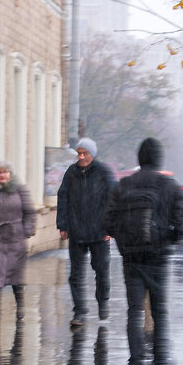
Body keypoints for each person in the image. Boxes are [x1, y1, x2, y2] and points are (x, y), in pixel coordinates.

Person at [104, 137, 183, 365]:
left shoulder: (124, 185)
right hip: (158, 257)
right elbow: (182, 223)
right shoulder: (170, 185)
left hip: (131, 257)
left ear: (139, 157)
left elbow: (108, 221)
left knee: (134, 312)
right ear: (159, 158)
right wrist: (168, 241)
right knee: (160, 312)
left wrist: (124, 244)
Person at [57, 138, 117, 327]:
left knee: (101, 271)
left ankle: (103, 302)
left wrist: (111, 227)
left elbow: (114, 200)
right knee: (76, 275)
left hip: (99, 232)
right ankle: (79, 312)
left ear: (93, 154)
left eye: (85, 153)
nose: (81, 156)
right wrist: (63, 225)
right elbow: (63, 198)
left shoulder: (103, 172)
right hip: (76, 231)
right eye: (79, 153)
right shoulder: (71, 173)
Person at [0, 160, 37, 318]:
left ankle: (20, 307)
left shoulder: (20, 189)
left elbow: (30, 211)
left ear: (10, 173)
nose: (2, 175)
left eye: (5, 172)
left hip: (16, 238)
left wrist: (27, 230)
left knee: (16, 276)